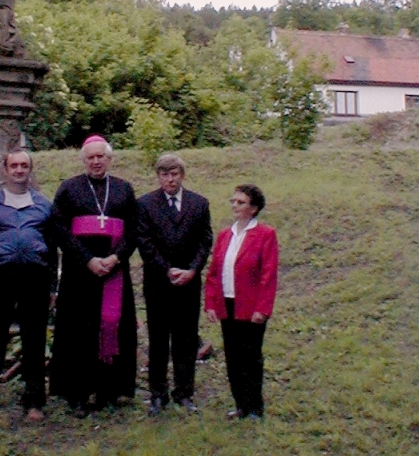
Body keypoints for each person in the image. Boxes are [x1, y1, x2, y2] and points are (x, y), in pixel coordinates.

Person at [49, 135, 138, 415]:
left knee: (111, 326)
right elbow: (59, 228)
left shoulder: (124, 189)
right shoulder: (69, 188)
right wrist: (87, 259)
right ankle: (77, 393)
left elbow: (134, 230)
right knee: (78, 331)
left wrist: (115, 258)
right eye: (91, 157)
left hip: (114, 271)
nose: (96, 161)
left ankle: (110, 390)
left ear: (110, 159)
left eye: (101, 156)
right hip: (80, 273)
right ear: (84, 160)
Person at [0, 149, 56, 422]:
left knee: (34, 339)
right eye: (14, 166)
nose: (19, 170)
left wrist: (53, 286)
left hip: (35, 276)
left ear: (31, 170)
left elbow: (53, 249)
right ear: (5, 170)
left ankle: (34, 401)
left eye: (24, 166)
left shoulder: (44, 205)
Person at [137, 153, 213, 415]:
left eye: (175, 174)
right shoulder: (145, 204)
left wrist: (192, 269)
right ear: (158, 176)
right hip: (158, 282)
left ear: (182, 175)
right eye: (165, 174)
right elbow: (144, 243)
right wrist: (166, 270)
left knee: (186, 338)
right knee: (158, 339)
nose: (170, 179)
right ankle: (158, 393)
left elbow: (205, 241)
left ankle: (185, 391)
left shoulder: (199, 203)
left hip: (189, 283)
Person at [204, 184, 278, 420]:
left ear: (254, 208)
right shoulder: (226, 234)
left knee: (251, 357)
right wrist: (211, 303)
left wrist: (262, 308)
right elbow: (214, 271)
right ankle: (240, 404)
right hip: (227, 302)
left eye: (241, 202)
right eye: (233, 201)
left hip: (251, 305)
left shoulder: (265, 234)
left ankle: (255, 407)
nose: (235, 206)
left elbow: (269, 275)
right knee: (233, 357)